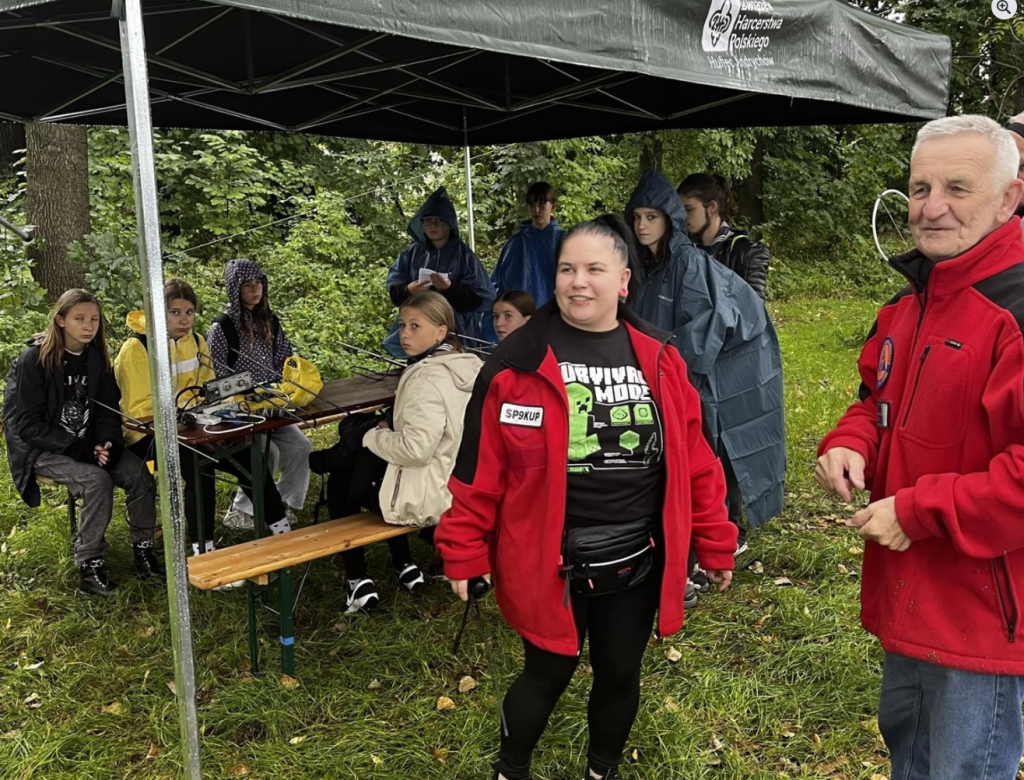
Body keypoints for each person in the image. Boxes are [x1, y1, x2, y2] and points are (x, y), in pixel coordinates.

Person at [436, 215, 736, 780]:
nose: (578, 281)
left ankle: (603, 770)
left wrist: (716, 540)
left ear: (623, 281)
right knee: (548, 671)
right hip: (546, 557)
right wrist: (464, 548)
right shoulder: (515, 363)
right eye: (567, 269)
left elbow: (696, 461)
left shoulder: (662, 359)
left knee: (620, 671)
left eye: (595, 269)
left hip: (637, 557)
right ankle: (510, 770)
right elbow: (479, 471)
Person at [815, 115, 1024, 780]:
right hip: (908, 597)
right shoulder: (908, 304)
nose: (931, 208)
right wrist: (850, 442)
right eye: (919, 188)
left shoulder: (1016, 312)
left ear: (1009, 199)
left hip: (981, 616)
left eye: (957, 188)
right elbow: (874, 401)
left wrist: (918, 511)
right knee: (911, 757)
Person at [627, 169, 785, 580]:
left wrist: (663, 365)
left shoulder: (688, 263)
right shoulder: (645, 264)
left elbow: (706, 326)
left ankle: (700, 553)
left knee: (698, 461)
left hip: (686, 382)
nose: (642, 225)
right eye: (637, 217)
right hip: (656, 381)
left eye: (651, 217)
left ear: (670, 219)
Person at [322, 291, 482, 612]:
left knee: (341, 479)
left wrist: (371, 435)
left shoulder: (426, 378)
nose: (404, 334)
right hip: (461, 487)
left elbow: (415, 449)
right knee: (367, 464)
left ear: (441, 331)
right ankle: (404, 565)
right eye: (402, 325)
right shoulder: (472, 366)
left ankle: (357, 581)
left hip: (428, 497)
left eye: (415, 326)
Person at [116, 279, 293, 558]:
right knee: (200, 464)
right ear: (157, 312)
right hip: (146, 436)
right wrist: (189, 418)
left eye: (189, 312)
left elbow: (207, 391)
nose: (184, 319)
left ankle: (281, 529)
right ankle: (204, 550)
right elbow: (140, 409)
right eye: (175, 312)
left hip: (196, 428)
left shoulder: (197, 341)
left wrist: (209, 416)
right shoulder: (137, 348)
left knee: (248, 453)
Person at [3, 289, 163, 595]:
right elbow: (27, 425)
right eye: (80, 319)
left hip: (89, 443)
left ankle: (143, 549)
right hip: (43, 449)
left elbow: (108, 409)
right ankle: (90, 565)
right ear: (60, 320)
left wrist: (109, 442)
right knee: (96, 481)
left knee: (139, 473)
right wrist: (80, 449)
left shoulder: (96, 357)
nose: (89, 326)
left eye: (94, 319)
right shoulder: (34, 360)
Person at [206, 259, 312, 530]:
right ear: (235, 288)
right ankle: (241, 511)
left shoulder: (269, 321)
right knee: (267, 452)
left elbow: (284, 360)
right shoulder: (222, 328)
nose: (255, 290)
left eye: (259, 284)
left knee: (301, 447)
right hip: (240, 409)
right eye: (248, 285)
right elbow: (215, 377)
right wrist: (246, 389)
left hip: (273, 403)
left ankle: (282, 504)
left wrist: (285, 387)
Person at [383, 185, 493, 356]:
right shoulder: (410, 254)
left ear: (450, 224)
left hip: (456, 334)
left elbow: (479, 300)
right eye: (428, 220)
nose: (433, 225)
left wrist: (449, 289)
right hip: (417, 334)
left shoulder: (464, 257)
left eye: (439, 220)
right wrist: (409, 290)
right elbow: (395, 294)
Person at [483, 182, 562, 342]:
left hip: (554, 319)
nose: (536, 210)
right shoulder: (515, 243)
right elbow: (499, 283)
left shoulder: (563, 241)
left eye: (542, 203)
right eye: (531, 204)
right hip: (517, 320)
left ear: (553, 206)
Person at [677, 173, 770, 299]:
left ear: (712, 208)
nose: (682, 216)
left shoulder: (747, 254)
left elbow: (753, 308)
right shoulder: (680, 248)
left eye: (689, 209)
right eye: (680, 210)